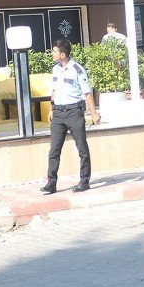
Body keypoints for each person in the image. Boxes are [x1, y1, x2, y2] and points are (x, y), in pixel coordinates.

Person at [41, 39, 101, 194]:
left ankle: (84, 181)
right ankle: (51, 183)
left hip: (74, 112)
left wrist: (94, 113)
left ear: (62, 54)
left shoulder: (77, 69)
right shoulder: (55, 69)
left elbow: (87, 93)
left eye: (54, 51)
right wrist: (50, 109)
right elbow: (54, 91)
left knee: (82, 148)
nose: (52, 54)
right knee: (54, 150)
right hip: (58, 114)